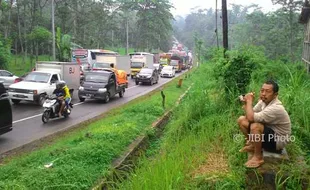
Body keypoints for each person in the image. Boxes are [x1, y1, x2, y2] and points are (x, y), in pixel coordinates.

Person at [237, 80, 291, 168]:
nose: (263, 94)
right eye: (262, 90)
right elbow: (249, 115)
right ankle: (253, 145)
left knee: (255, 126)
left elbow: (251, 118)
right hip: (269, 133)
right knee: (241, 120)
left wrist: (249, 101)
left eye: (267, 91)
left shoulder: (276, 108)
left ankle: (258, 157)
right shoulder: (263, 101)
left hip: (278, 141)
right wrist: (246, 103)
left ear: (275, 95)